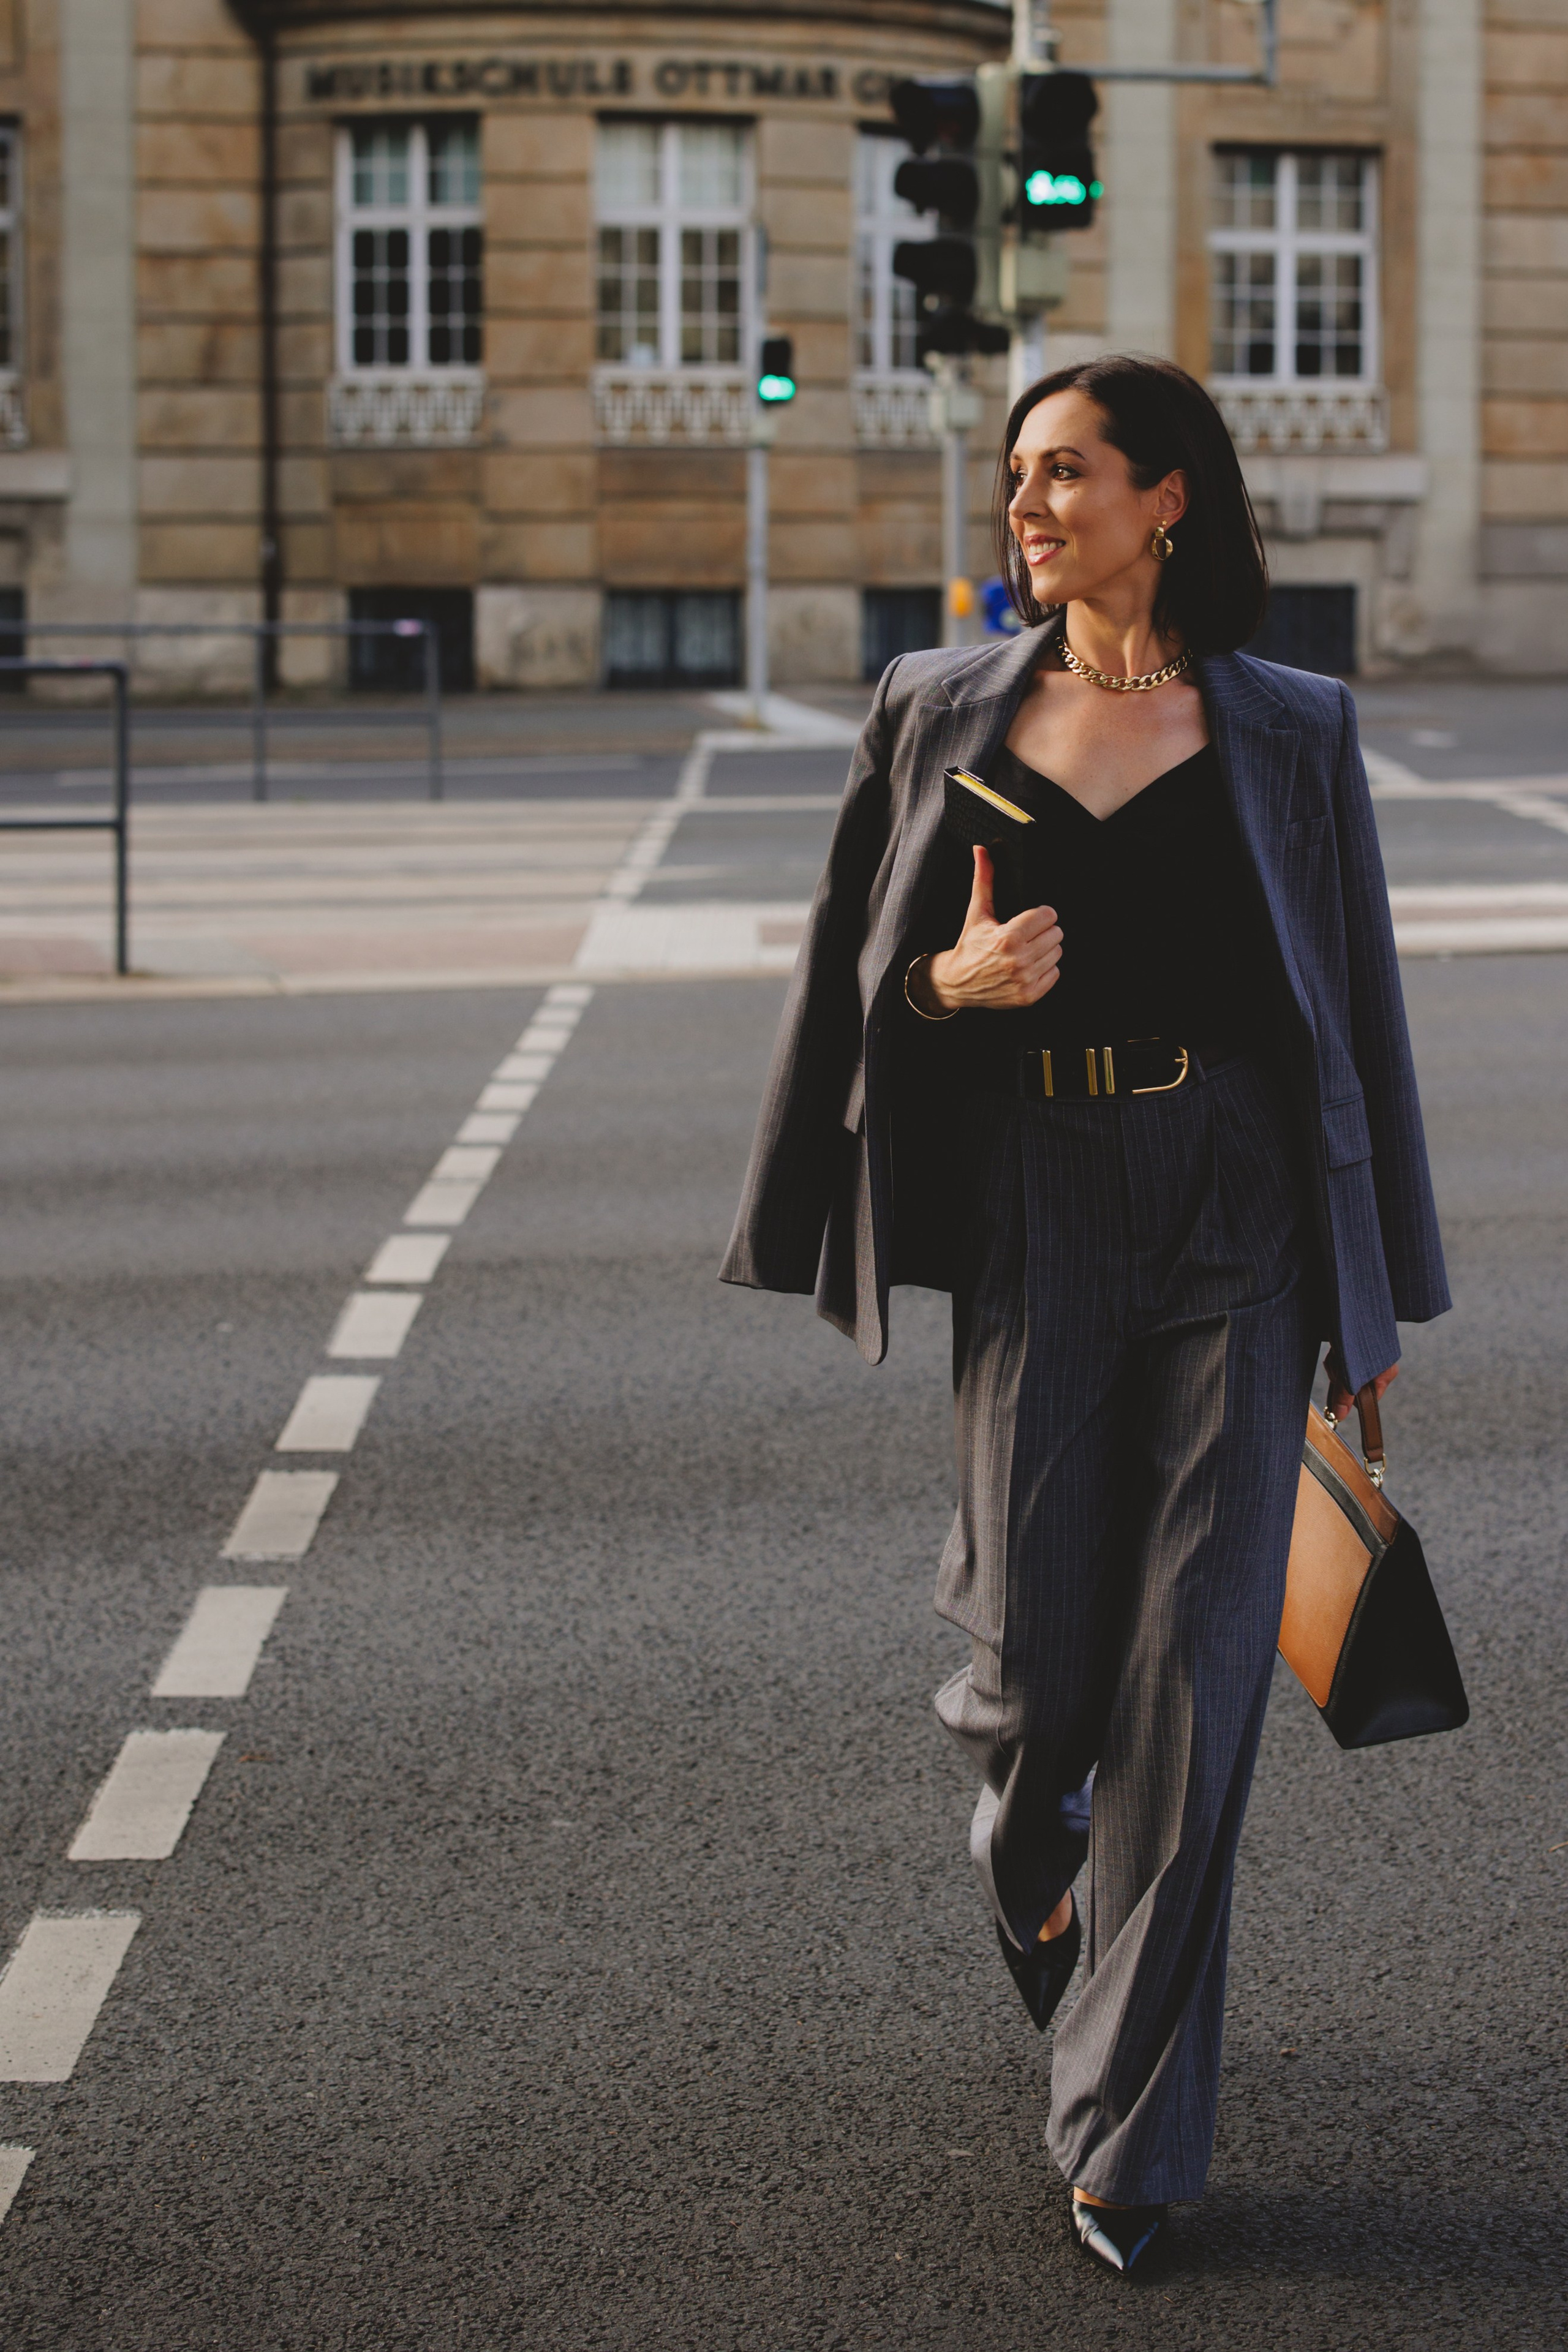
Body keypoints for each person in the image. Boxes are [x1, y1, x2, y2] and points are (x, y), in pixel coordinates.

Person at [720, 355, 1449, 2274]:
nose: (1026, 507)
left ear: (1169, 499)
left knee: (1198, 1697)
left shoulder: (1290, 727)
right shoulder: (938, 704)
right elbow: (847, 987)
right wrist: (955, 987)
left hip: (1237, 1216)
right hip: (1042, 1208)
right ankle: (1031, 1847)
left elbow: (1354, 1016)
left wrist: (1371, 1296)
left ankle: (1132, 2136)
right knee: (1041, 1661)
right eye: (1018, 477)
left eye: (1066, 474)